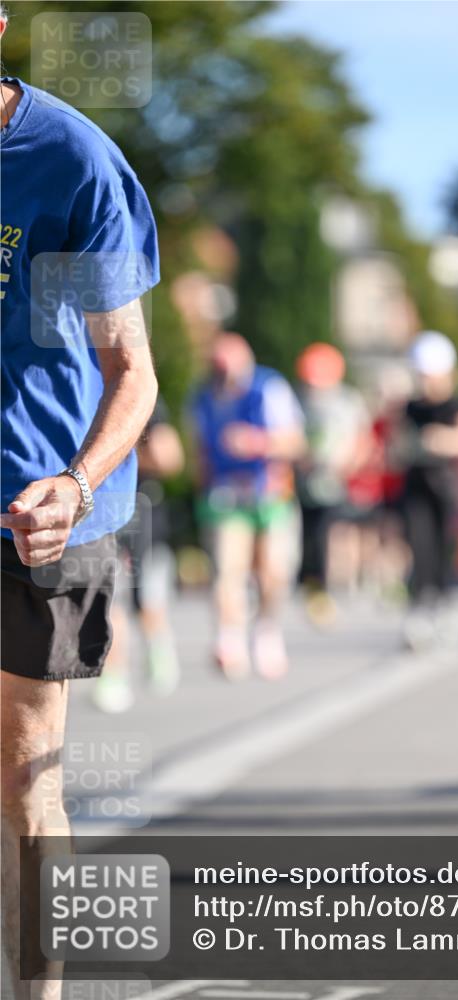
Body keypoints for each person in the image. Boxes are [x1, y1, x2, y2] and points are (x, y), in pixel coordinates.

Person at [0, 41, 159, 1000]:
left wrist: (75, 481)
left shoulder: (71, 161)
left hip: (36, 508)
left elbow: (131, 371)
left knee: (23, 775)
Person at [190, 333, 305, 680]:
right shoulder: (202, 396)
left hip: (269, 492)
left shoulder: (269, 388)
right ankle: (230, 638)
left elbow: (295, 441)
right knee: (228, 568)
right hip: (225, 494)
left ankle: (267, 630)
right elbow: (200, 449)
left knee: (274, 571)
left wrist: (257, 443)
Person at [92, 397, 185, 713]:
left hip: (142, 508)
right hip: (99, 510)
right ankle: (114, 675)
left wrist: (113, 452)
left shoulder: (141, 395)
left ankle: (158, 648)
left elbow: (169, 458)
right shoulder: (80, 389)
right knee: (110, 595)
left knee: (147, 595)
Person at [400, 331, 458, 646]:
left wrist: (439, 440)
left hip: (447, 487)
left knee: (445, 550)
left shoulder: (456, 405)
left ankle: (446, 609)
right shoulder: (410, 407)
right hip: (416, 485)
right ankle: (419, 610)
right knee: (419, 548)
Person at [295, 342, 370, 625]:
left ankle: (335, 585)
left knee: (333, 533)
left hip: (337, 481)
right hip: (304, 482)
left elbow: (362, 439)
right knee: (308, 535)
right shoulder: (298, 398)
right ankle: (311, 585)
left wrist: (348, 465)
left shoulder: (348, 401)